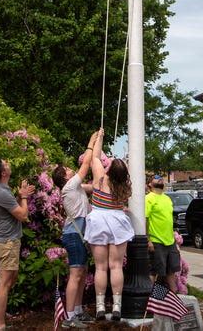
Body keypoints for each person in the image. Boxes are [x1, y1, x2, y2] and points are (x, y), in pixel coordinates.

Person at [84, 128, 134, 321]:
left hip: (98, 220)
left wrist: (100, 138)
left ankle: (99, 307)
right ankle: (117, 307)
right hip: (117, 221)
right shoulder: (124, 188)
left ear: (110, 170)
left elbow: (95, 157)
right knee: (116, 266)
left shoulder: (100, 178)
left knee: (101, 267)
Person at [51, 130, 99, 328]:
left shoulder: (75, 187)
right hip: (74, 233)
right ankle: (69, 317)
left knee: (82, 271)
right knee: (76, 274)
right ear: (65, 176)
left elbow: (94, 186)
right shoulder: (69, 186)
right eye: (68, 169)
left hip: (79, 233)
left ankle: (77, 311)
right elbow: (86, 165)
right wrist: (90, 142)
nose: (72, 169)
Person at [0, 157, 35, 331]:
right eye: (6, 164)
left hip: (8, 240)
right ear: (3, 173)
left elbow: (13, 210)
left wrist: (20, 195)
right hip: (7, 242)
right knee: (5, 282)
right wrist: (25, 197)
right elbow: (22, 215)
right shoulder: (1, 192)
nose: (9, 163)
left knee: (10, 279)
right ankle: (0, 326)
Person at [145, 174, 180, 293]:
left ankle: (175, 295)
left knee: (171, 270)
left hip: (170, 241)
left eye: (160, 177)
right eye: (156, 177)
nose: (159, 178)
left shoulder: (167, 198)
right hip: (156, 241)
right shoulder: (148, 198)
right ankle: (148, 302)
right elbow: (145, 219)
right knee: (154, 271)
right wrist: (148, 240)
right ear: (150, 184)